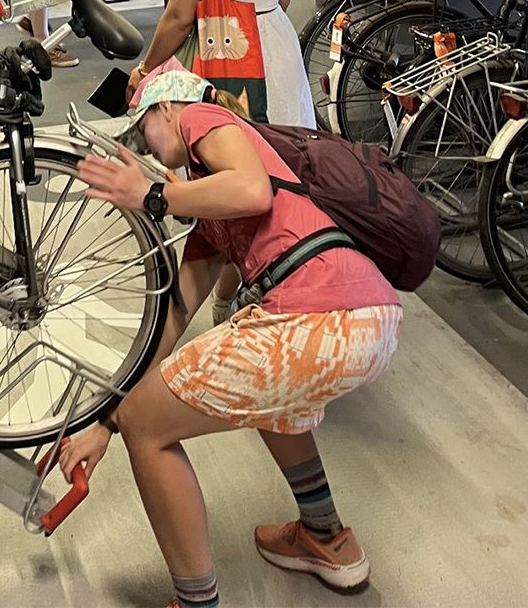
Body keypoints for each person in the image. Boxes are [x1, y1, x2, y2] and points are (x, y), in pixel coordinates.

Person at [65, 62, 402, 608]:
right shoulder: (209, 205)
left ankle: (198, 603)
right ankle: (326, 537)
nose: (145, 149)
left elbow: (251, 191)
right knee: (262, 402)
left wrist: (153, 194)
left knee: (146, 426)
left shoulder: (206, 118)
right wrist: (104, 420)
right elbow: (174, 315)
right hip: (368, 317)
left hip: (314, 318)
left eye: (142, 129)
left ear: (166, 108)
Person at [128, 0, 315, 322]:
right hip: (278, 49)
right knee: (281, 176)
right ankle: (255, 291)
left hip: (227, 54)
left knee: (227, 181)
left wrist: (147, 68)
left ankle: (219, 297)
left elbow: (179, 15)